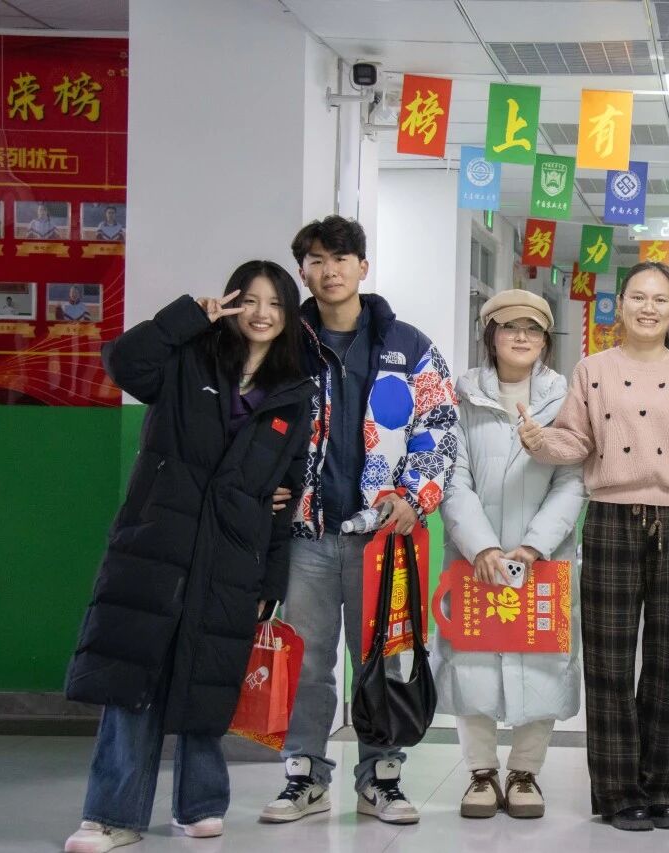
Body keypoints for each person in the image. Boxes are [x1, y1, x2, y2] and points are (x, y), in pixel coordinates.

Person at [63, 262, 315, 852]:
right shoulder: (189, 359)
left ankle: (200, 804)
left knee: (209, 676)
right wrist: (186, 317)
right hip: (157, 544)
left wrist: (271, 580)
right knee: (134, 676)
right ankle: (110, 816)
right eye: (250, 301)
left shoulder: (293, 396)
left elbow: (289, 493)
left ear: (288, 316)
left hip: (232, 558)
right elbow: (123, 363)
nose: (261, 314)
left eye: (275, 304)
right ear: (232, 303)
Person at [518, 261, 669, 832]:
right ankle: (619, 792)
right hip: (609, 519)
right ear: (619, 304)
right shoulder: (593, 370)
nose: (649, 308)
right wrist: (538, 440)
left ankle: (664, 789)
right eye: (638, 297)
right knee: (609, 663)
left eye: (660, 299)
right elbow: (575, 441)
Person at [260, 215, 459, 826]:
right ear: (303, 273)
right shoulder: (285, 345)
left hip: (382, 538)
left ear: (363, 267)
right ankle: (304, 776)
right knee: (308, 660)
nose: (331, 271)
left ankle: (381, 778)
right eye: (317, 261)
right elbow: (253, 421)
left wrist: (415, 498)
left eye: (342, 259)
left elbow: (439, 426)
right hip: (307, 535)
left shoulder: (408, 344)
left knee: (384, 658)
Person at [433, 289, 585, 820]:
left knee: (540, 660)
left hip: (543, 557)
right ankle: (480, 772)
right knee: (473, 659)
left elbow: (573, 478)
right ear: (490, 335)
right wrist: (482, 545)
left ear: (545, 340)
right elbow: (453, 475)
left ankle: (524, 772)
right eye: (509, 327)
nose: (521, 337)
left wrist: (534, 544)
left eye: (533, 329)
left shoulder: (566, 398)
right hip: (474, 556)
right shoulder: (462, 396)